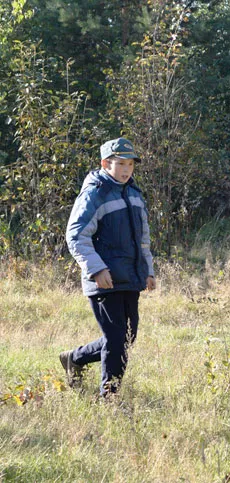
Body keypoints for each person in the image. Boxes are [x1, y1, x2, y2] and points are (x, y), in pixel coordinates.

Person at [61, 137, 156, 399]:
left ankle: (75, 358)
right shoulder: (95, 193)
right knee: (116, 341)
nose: (126, 169)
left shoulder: (134, 194)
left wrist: (148, 270)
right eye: (120, 164)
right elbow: (76, 235)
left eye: (130, 164)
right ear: (105, 163)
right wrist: (96, 270)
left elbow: (143, 238)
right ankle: (109, 397)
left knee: (126, 338)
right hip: (104, 280)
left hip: (131, 278)